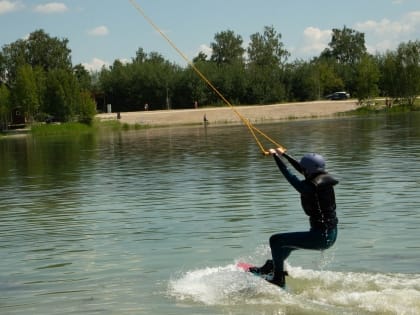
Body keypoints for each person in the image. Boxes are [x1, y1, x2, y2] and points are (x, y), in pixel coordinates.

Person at [250, 148, 338, 288]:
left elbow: (290, 176)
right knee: (286, 246)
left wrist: (275, 157)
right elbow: (302, 168)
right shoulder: (321, 180)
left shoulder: (309, 188)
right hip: (329, 235)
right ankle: (273, 266)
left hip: (320, 237)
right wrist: (283, 154)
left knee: (276, 240)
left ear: (309, 170)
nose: (303, 171)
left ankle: (278, 278)